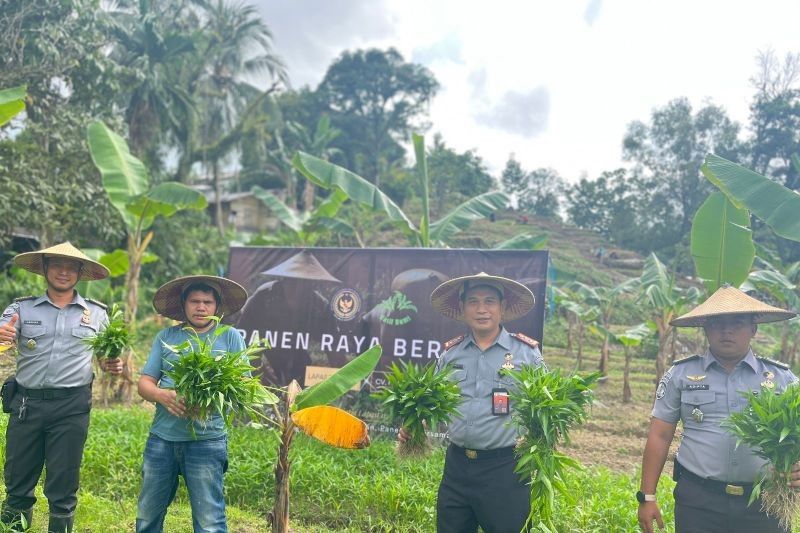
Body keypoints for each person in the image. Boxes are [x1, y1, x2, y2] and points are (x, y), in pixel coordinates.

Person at [638, 284, 800, 533]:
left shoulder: (782, 379)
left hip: (765, 502)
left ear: (753, 329)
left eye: (737, 322)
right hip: (698, 502)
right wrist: (647, 497)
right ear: (705, 329)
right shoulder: (681, 374)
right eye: (717, 322)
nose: (727, 330)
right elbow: (660, 435)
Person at [402, 272, 545, 533]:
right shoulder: (451, 354)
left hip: (506, 470)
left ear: (502, 307)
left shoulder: (527, 354)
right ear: (463, 308)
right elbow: (431, 402)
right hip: (457, 468)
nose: (482, 309)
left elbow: (546, 410)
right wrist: (414, 425)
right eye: (473, 301)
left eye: (489, 301)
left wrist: (539, 442)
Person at [0, 241, 123, 533]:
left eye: (71, 267)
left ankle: (61, 525)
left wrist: (112, 365)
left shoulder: (97, 314)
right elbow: (3, 338)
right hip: (27, 403)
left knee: (64, 477)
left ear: (80, 273)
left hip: (72, 405)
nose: (64, 272)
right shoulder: (21, 307)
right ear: (45, 268)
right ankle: (14, 526)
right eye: (57, 265)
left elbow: (107, 357)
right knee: (18, 474)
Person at [135, 275, 248, 533]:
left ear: (216, 307)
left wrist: (211, 402)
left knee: (210, 521)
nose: (201, 307)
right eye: (194, 301)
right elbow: (145, 383)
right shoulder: (167, 336)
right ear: (183, 304)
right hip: (163, 439)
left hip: (207, 441)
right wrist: (161, 395)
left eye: (207, 302)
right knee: (147, 515)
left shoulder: (229, 337)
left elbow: (242, 386)